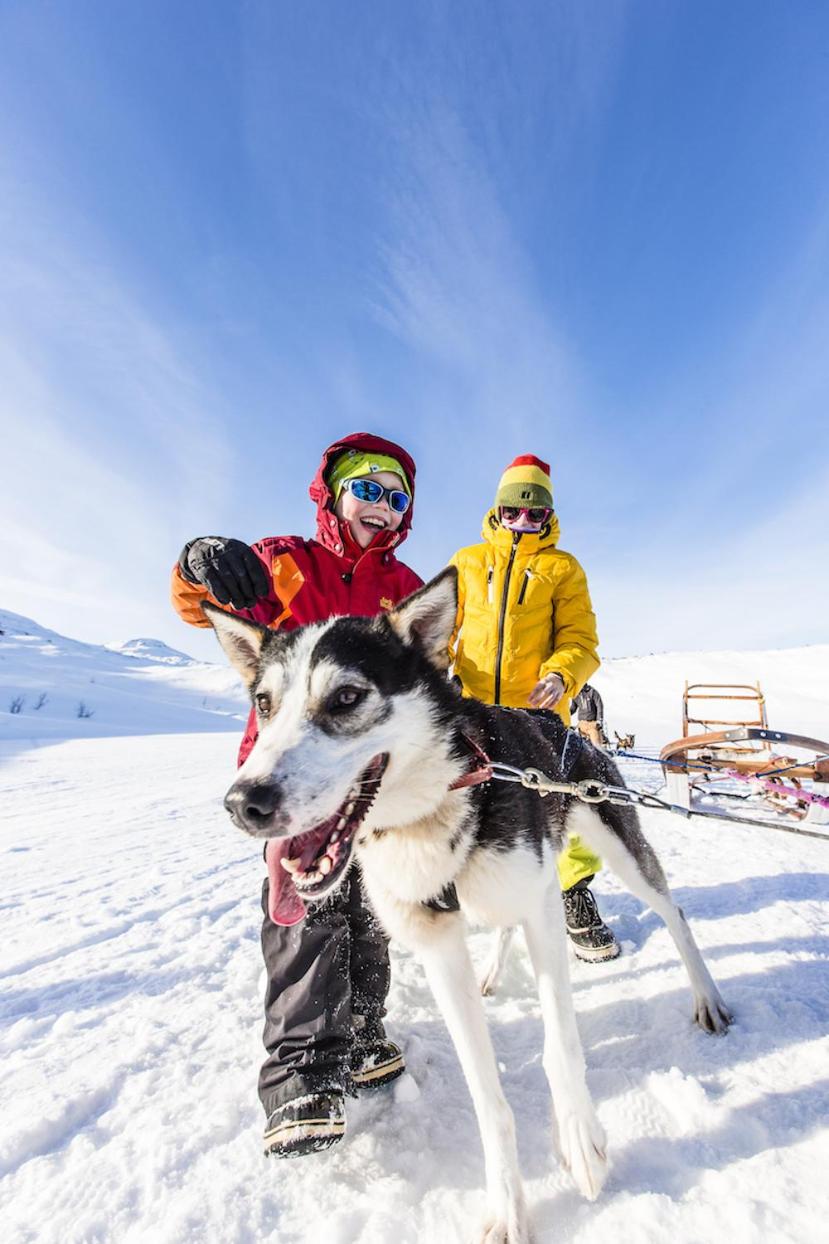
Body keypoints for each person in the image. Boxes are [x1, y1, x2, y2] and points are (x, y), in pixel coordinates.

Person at [170, 433, 422, 1157]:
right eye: (367, 488)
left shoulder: (404, 585)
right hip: (290, 769)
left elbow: (428, 674)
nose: (380, 505)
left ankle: (364, 1031)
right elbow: (202, 605)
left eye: (396, 496)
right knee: (305, 908)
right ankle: (301, 1072)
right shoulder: (287, 561)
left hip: (370, 775)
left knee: (371, 907)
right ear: (335, 494)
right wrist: (198, 564)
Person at [448, 454, 620, 963]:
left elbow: (580, 639)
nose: (523, 521)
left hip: (538, 716)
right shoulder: (467, 562)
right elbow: (441, 629)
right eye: (513, 511)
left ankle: (573, 894)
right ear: (497, 509)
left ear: (548, 515)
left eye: (535, 513)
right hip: (472, 711)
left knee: (562, 807)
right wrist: (437, 673)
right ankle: (453, 901)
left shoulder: (562, 568)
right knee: (460, 808)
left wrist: (561, 675)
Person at [570, 683, 608, 749]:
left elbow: (599, 706)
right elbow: (573, 708)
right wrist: (564, 716)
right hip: (581, 725)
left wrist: (599, 720)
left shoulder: (592, 692)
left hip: (592, 724)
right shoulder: (576, 694)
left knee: (597, 747)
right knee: (583, 748)